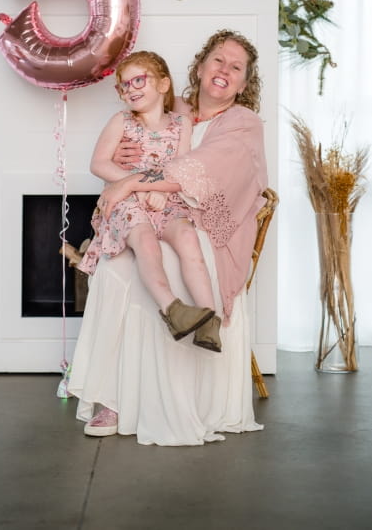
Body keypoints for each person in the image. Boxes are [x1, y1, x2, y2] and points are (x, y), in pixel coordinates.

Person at [69, 29, 269, 445]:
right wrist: (124, 166)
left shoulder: (243, 124)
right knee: (115, 268)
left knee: (165, 263)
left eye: (235, 68)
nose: (223, 71)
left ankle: (177, 388)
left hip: (211, 227)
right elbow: (136, 146)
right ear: (199, 66)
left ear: (244, 83)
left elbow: (201, 171)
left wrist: (126, 184)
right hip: (155, 213)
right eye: (217, 60)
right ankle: (115, 395)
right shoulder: (172, 111)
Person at [78, 50, 221, 352]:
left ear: (163, 85)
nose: (131, 89)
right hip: (127, 201)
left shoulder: (181, 124)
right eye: (124, 86)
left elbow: (180, 167)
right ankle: (173, 309)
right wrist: (139, 188)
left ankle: (209, 319)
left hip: (165, 199)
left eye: (138, 80)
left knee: (186, 237)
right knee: (144, 239)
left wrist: (163, 191)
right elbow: (99, 163)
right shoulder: (122, 121)